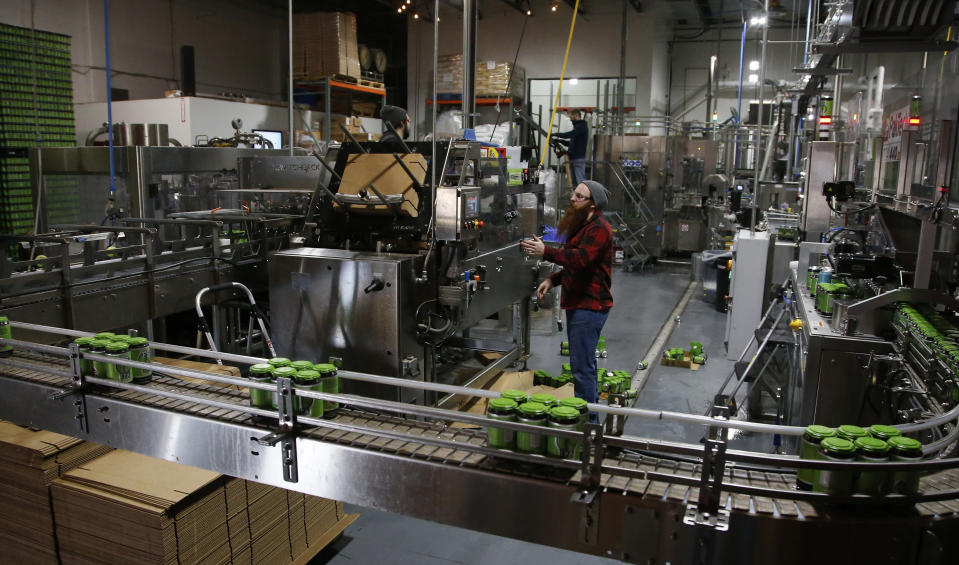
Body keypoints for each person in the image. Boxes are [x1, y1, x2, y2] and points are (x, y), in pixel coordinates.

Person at [520, 180, 613, 417]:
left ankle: (588, 425)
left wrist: (546, 252)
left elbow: (581, 259)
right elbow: (578, 267)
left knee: (582, 368)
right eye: (574, 194)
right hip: (579, 303)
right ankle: (587, 420)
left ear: (592, 204)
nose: (573, 199)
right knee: (581, 365)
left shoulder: (599, 228)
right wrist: (553, 280)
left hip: (589, 305)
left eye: (579, 196)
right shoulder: (583, 225)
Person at [553, 109, 589, 186]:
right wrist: (559, 141)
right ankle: (576, 196)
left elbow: (570, 134)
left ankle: (583, 197)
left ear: (576, 115)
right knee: (574, 181)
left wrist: (556, 134)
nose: (570, 119)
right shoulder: (577, 127)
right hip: (573, 158)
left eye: (571, 117)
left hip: (578, 158)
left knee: (580, 180)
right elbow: (571, 143)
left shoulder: (582, 126)